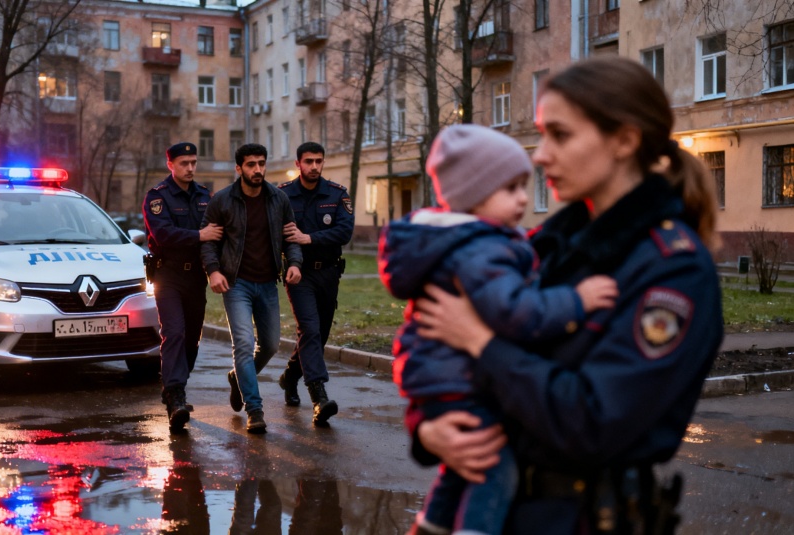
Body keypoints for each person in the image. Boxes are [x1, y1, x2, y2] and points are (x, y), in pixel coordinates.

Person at [408, 56, 724, 534]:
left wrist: (482, 343)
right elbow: (435, 347)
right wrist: (428, 430)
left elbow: (595, 421)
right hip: (490, 511)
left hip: (580, 518)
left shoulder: (671, 268)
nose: (539, 154)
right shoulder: (539, 247)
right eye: (540, 133)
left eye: (560, 134)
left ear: (624, 140)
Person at [379, 124, 618, 535]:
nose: (524, 198)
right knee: (493, 469)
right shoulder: (482, 250)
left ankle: (432, 525)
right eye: (511, 189)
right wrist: (577, 301)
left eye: (525, 186)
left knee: (461, 469)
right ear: (474, 195)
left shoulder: (468, 242)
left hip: (440, 380)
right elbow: (517, 312)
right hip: (460, 381)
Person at [200, 143, 303, 434]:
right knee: (243, 344)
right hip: (236, 284)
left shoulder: (278, 199)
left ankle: (238, 379)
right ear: (239, 168)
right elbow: (208, 242)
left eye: (261, 163)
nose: (258, 170)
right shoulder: (223, 201)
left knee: (270, 345)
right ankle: (254, 409)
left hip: (268, 283)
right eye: (251, 165)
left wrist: (294, 263)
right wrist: (213, 270)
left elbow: (291, 237)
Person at [142, 141, 222, 433]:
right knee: (174, 332)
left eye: (193, 162)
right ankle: (175, 396)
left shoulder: (204, 196)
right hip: (168, 276)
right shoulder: (157, 197)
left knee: (191, 339)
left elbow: (216, 234)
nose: (190, 168)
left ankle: (176, 386)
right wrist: (199, 234)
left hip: (195, 278)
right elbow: (163, 234)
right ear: (171, 165)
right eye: (184, 163)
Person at [278, 142, 355, 426]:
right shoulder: (283, 195)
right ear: (298, 163)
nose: (314, 166)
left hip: (329, 273)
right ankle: (319, 396)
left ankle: (289, 377)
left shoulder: (336, 194)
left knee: (319, 335)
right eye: (308, 161)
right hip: (299, 274)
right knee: (309, 329)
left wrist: (308, 238)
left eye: (318, 161)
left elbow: (344, 231)